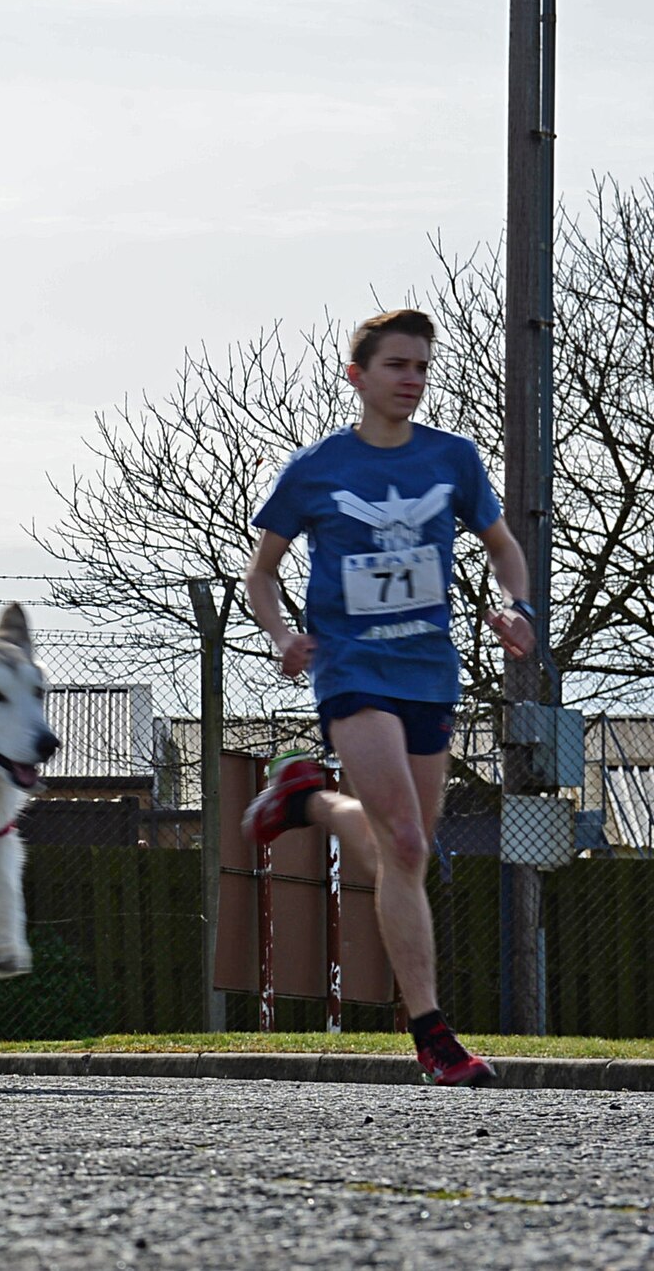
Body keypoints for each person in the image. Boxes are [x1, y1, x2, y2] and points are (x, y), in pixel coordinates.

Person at [242, 308, 534, 1087]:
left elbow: (503, 548)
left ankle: (309, 803)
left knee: (403, 849)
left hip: (429, 674)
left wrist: (517, 609)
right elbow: (262, 572)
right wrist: (281, 635)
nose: (411, 380)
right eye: (397, 366)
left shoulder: (453, 460)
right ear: (358, 376)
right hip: (353, 672)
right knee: (405, 843)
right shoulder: (318, 469)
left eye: (421, 368)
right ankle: (433, 1034)